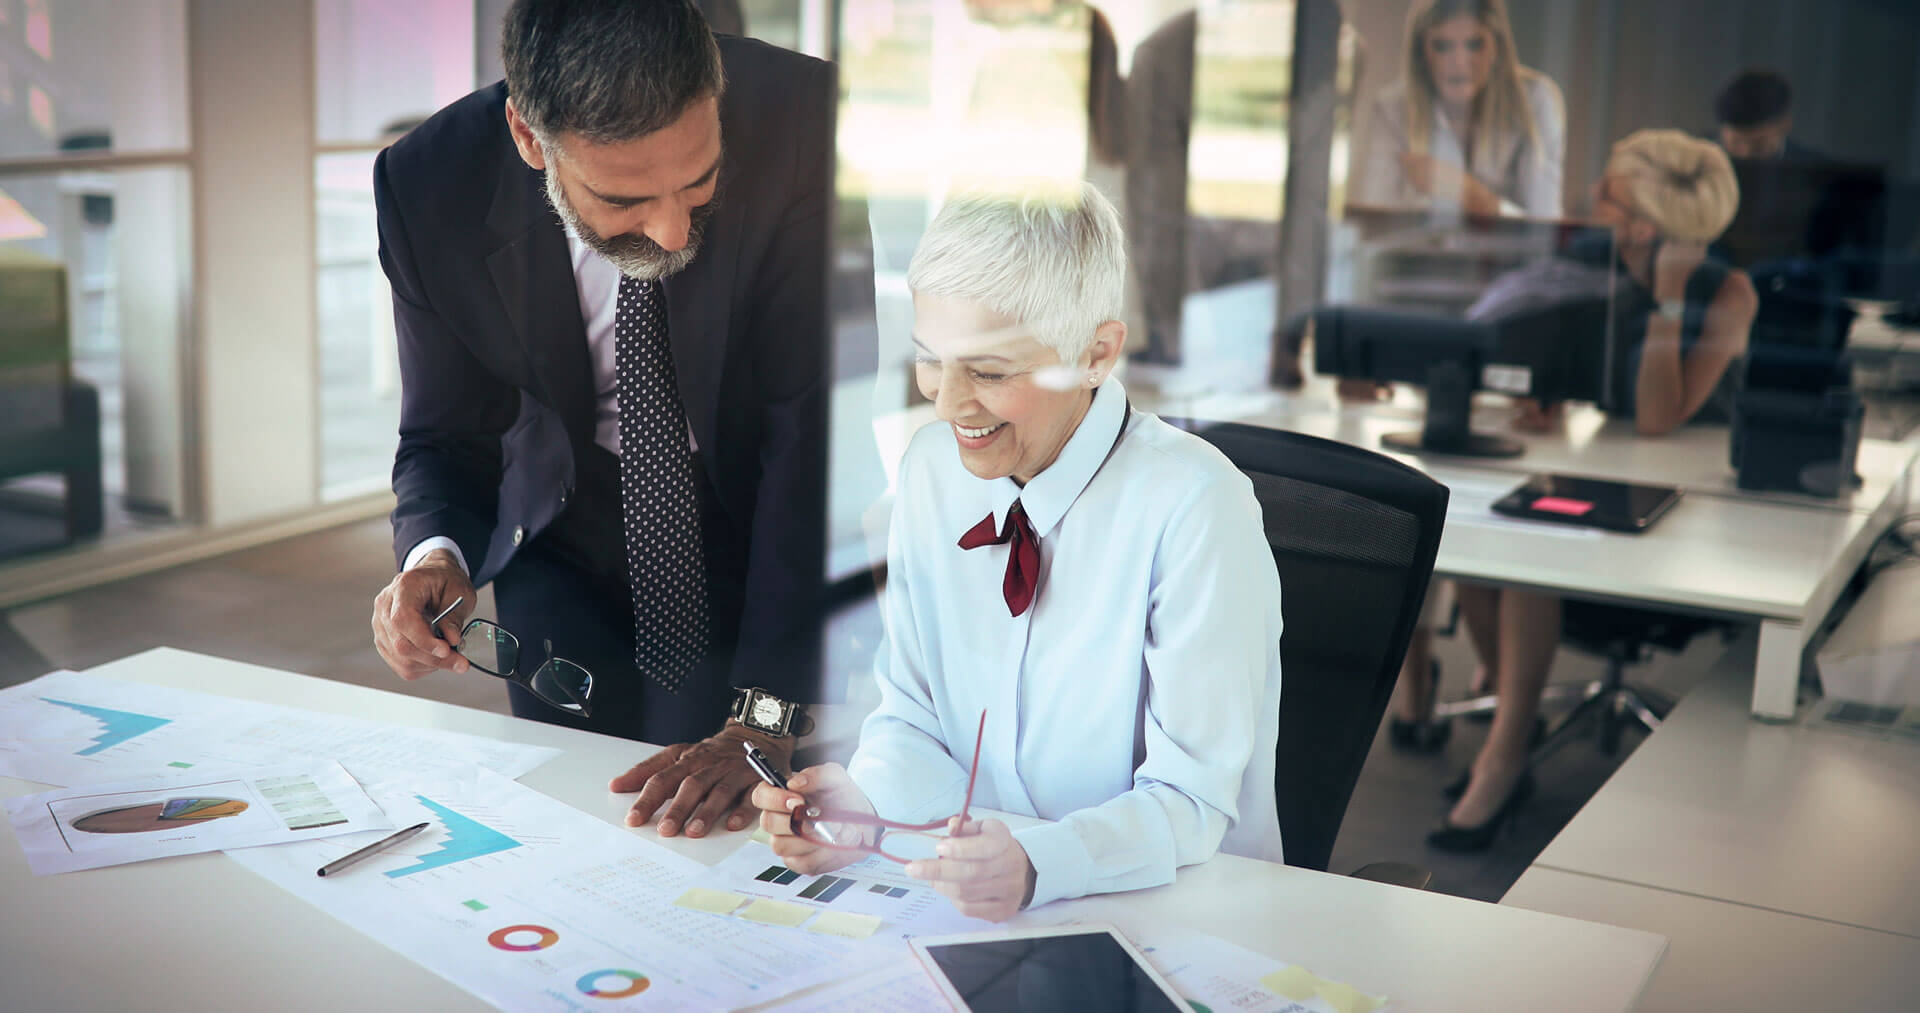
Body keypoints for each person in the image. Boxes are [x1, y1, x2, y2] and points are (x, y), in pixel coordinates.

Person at [750, 183, 1285, 921]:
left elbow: (1191, 803)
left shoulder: (1195, 507)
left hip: (1185, 913)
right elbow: (913, 717)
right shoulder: (934, 470)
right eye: (930, 360)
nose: (946, 403)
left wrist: (1040, 864)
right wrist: (860, 808)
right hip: (982, 904)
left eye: (991, 372)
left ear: (1096, 354)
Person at [367, 0, 834, 841]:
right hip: (561, 526)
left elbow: (810, 438)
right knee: (569, 814)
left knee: (721, 820)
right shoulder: (427, 186)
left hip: (741, 512)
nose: (672, 227)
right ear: (528, 137)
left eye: (699, 182)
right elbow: (444, 430)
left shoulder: (802, 119)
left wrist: (767, 713)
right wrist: (432, 554)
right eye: (624, 197)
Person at [1421, 130, 1754, 852]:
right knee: (1479, 553)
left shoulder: (1728, 292)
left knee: (1532, 550)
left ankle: (1506, 758)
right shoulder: (1592, 269)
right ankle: (1518, 717)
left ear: (1642, 222)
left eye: (1606, 191)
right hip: (1603, 476)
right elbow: (1562, 364)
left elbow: (1661, 417)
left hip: (1686, 520)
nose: (1589, 199)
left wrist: (1667, 294)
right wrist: (1547, 396)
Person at [1352, 0, 1565, 219]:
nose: (1460, 62)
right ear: (1421, 52)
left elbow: (1545, 227)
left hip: (1507, 255)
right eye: (1442, 46)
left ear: (1497, 47)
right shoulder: (1391, 110)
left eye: (1474, 44)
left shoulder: (1535, 101)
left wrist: (1468, 193)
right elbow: (1372, 224)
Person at [1715, 68, 1823, 163]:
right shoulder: (1702, 162)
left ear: (1785, 124)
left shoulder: (1817, 171)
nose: (1745, 154)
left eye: (1758, 144)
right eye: (1735, 142)